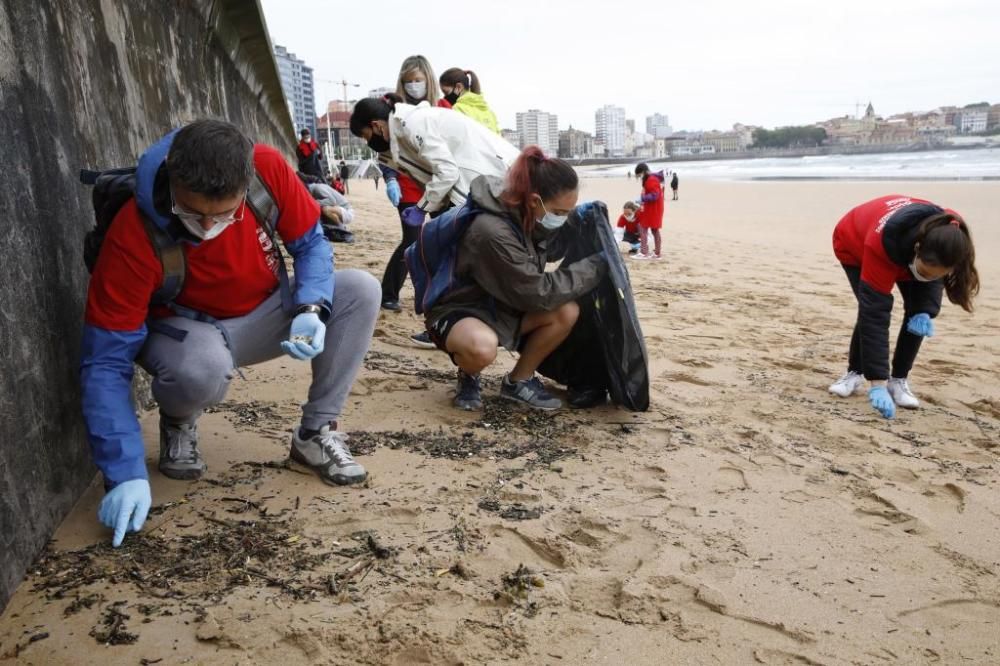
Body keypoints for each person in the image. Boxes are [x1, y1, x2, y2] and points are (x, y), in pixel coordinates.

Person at [82, 120, 381, 548]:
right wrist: (124, 472)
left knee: (359, 291)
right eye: (193, 213)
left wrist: (311, 307)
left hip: (263, 312)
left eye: (223, 214)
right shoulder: (133, 234)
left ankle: (315, 435)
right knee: (202, 366)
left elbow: (311, 243)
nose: (207, 226)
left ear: (244, 185)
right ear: (173, 180)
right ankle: (179, 420)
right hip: (187, 333)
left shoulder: (266, 170)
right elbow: (105, 361)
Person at [422, 147, 607, 411]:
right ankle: (469, 372)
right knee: (481, 348)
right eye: (560, 212)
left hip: (501, 304)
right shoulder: (492, 232)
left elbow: (544, 254)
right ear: (534, 200)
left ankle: (518, 381)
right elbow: (537, 293)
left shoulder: (523, 210)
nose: (563, 219)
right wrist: (596, 266)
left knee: (566, 311)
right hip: (461, 310)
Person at [350, 93, 520, 345]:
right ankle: (451, 325)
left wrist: (422, 206)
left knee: (453, 261)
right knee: (447, 260)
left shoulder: (414, 124)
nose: (369, 142)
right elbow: (431, 173)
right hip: (467, 191)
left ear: (376, 125)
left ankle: (456, 326)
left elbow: (447, 171)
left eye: (365, 136)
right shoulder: (399, 134)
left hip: (480, 184)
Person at [829, 195, 979, 419]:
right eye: (925, 273)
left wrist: (926, 310)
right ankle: (855, 372)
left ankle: (898, 380)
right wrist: (877, 382)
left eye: (936, 276)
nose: (926, 279)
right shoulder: (880, 246)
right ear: (917, 249)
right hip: (855, 243)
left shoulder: (948, 235)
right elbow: (875, 314)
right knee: (870, 308)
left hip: (910, 250)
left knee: (918, 313)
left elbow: (930, 279)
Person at [379, 55, 450, 320]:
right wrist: (390, 178)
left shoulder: (442, 108)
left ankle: (440, 296)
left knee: (443, 242)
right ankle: (388, 294)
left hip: (440, 185)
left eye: (418, 80)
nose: (413, 86)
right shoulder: (393, 110)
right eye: (408, 81)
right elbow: (385, 149)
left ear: (428, 80)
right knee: (412, 240)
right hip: (408, 185)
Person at [438, 68, 500, 135]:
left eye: (446, 93)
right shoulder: (490, 113)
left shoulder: (457, 109)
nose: (445, 97)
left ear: (459, 87)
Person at [631, 163, 664, 260]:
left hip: (653, 209)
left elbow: (655, 195)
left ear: (643, 172)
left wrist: (642, 198)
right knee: (654, 229)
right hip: (653, 208)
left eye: (639, 175)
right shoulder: (651, 179)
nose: (639, 177)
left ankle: (644, 252)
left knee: (643, 227)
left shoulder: (651, 180)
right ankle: (656, 253)